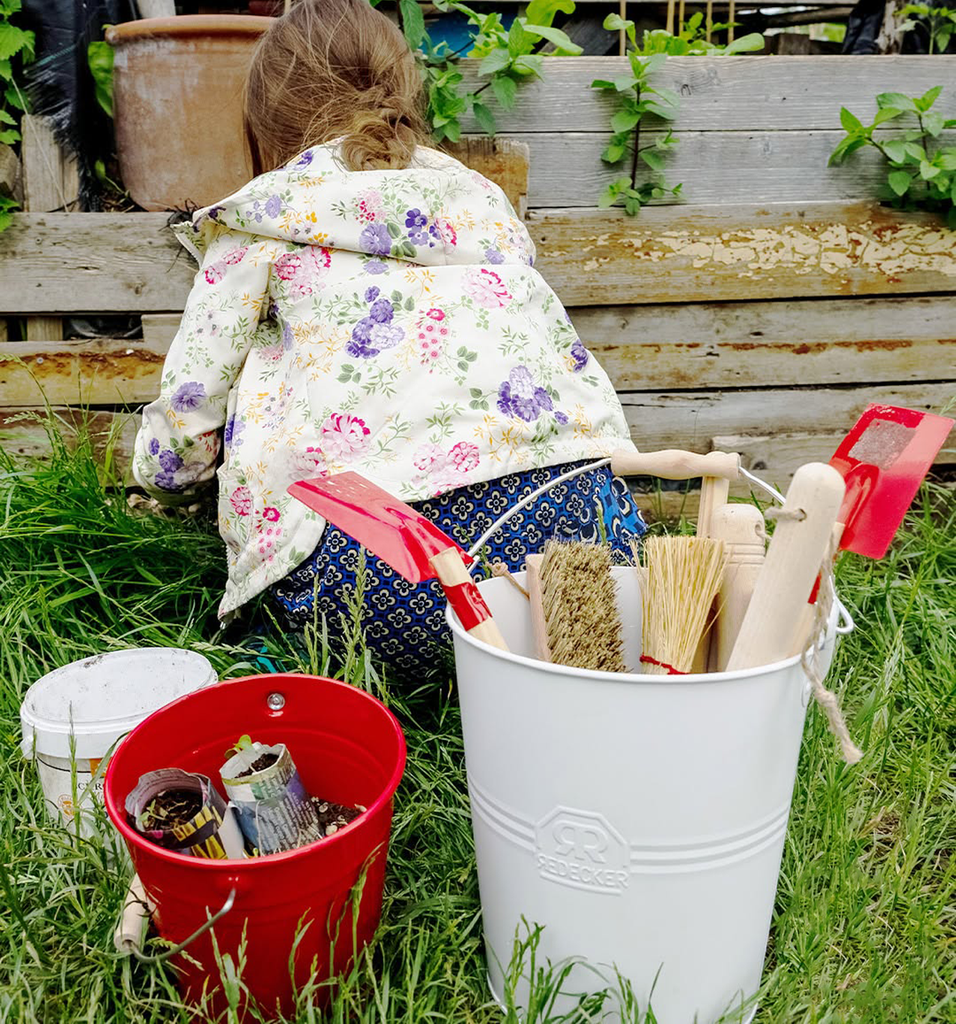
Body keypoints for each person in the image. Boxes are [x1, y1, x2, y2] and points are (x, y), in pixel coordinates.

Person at [132, 0, 644, 674]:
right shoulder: (482, 205)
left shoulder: (260, 220)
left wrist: (166, 488)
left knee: (312, 621)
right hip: (585, 547)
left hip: (378, 577)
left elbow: (187, 421)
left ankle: (319, 662)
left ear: (266, 119)